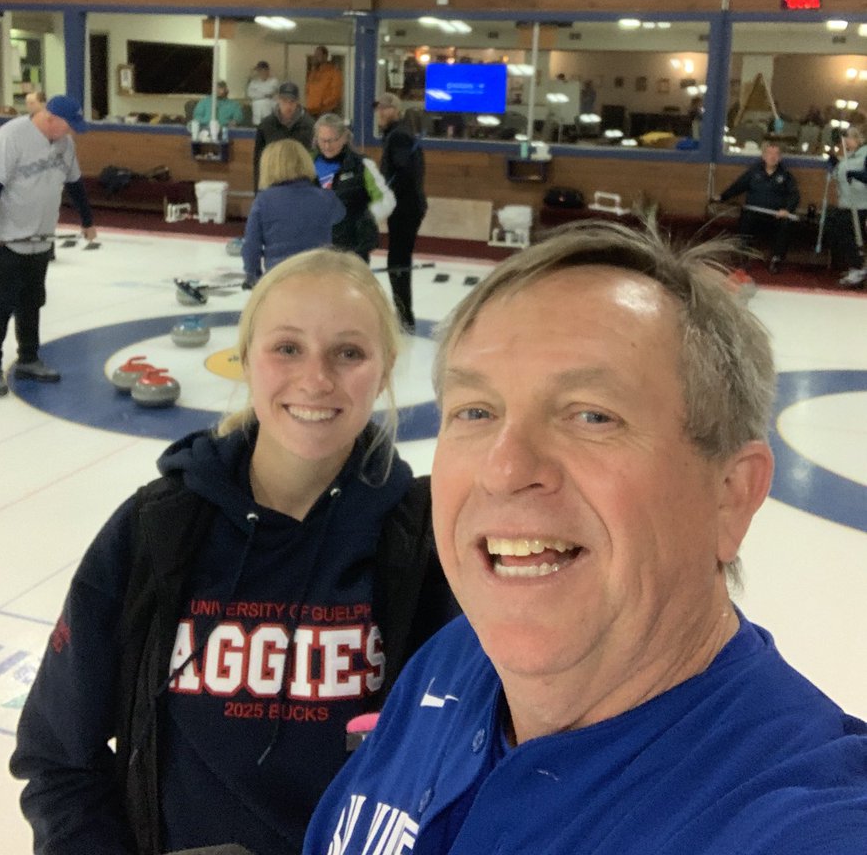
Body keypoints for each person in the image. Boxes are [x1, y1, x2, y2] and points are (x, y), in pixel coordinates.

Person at [304, 219, 867, 855]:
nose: (505, 468)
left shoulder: (799, 818)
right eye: (476, 412)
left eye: (592, 415)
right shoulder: (454, 659)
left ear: (731, 493)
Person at [10, 248, 457, 855]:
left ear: (383, 371)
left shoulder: (427, 543)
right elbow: (58, 756)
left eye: (349, 352)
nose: (317, 379)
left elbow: (471, 766)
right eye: (287, 348)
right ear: (244, 358)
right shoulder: (156, 529)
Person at [0, 94, 96, 397]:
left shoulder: (64, 145)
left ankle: (29, 358)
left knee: (32, 302)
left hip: (40, 239)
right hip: (6, 240)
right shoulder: (10, 137)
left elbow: (75, 183)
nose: (70, 133)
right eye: (68, 127)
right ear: (50, 118)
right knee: (0, 305)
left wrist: (87, 220)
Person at [242, 139, 344, 285]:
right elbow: (341, 218)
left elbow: (252, 246)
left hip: (279, 278)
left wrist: (252, 274)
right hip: (320, 276)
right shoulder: (326, 198)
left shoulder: (263, 201)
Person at [375, 93, 426, 332]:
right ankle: (404, 314)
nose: (381, 113)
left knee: (398, 260)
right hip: (407, 205)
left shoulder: (399, 137)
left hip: (406, 207)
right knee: (398, 258)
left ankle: (405, 316)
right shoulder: (397, 134)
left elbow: (402, 174)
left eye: (386, 109)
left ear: (396, 110)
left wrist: (381, 196)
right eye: (379, 109)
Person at [714, 139, 800, 272]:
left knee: (786, 224)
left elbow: (794, 195)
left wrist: (787, 210)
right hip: (753, 213)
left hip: (775, 216)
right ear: (764, 156)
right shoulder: (753, 172)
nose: (772, 157)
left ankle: (776, 260)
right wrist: (722, 197)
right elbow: (738, 186)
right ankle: (743, 257)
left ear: (780, 158)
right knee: (745, 219)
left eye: (776, 154)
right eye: (769, 154)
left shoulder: (786, 176)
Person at [313, 113, 379, 263]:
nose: (327, 146)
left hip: (353, 245)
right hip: (318, 244)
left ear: (343, 138)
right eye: (322, 140)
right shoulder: (307, 163)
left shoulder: (362, 165)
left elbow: (384, 201)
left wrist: (363, 219)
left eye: (332, 140)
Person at [253, 82, 315, 192]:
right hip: (272, 185)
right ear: (278, 100)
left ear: (298, 102)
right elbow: (259, 161)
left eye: (292, 102)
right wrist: (258, 192)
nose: (288, 106)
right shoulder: (266, 125)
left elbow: (314, 160)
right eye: (284, 101)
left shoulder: (310, 126)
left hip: (301, 187)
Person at [827, 124, 867, 287]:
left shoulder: (864, 155)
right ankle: (854, 266)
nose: (846, 141)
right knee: (842, 234)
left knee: (852, 235)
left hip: (860, 203)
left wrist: (855, 175)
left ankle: (857, 267)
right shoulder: (849, 156)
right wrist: (834, 163)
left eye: (849, 138)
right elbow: (840, 175)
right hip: (846, 202)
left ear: (857, 139)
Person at [305, 46, 343, 118]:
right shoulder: (313, 73)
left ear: (325, 56)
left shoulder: (334, 72)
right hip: (311, 111)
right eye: (315, 55)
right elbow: (308, 91)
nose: (315, 57)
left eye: (318, 55)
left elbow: (336, 94)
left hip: (325, 111)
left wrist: (323, 104)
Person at [247, 60, 279, 125]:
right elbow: (250, 94)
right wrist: (264, 95)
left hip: (269, 109)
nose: (262, 72)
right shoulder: (254, 82)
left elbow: (270, 91)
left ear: (268, 71)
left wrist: (258, 94)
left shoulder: (274, 81)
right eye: (260, 70)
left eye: (264, 70)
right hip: (257, 111)